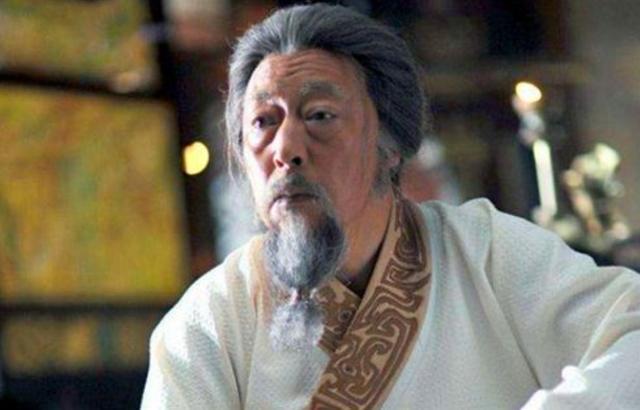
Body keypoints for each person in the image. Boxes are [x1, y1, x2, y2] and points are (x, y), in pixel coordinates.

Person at [141, 4, 640, 409]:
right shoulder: (208, 324)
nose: (285, 148)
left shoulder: (485, 253)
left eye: (319, 115)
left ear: (390, 143)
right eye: (263, 122)